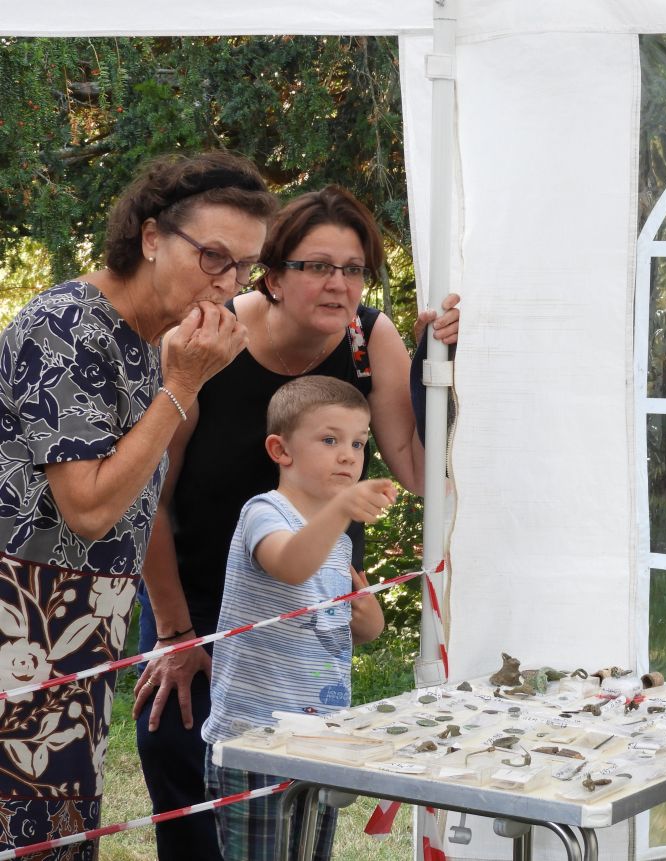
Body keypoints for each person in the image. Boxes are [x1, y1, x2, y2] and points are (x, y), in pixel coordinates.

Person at [132, 184, 459, 859]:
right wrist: (173, 632)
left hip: (309, 631)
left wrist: (438, 366)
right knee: (196, 816)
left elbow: (419, 471)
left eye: (353, 267)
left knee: (298, 821)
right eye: (317, 266)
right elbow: (147, 498)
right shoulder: (207, 336)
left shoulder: (371, 339)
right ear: (273, 276)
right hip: (197, 612)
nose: (339, 284)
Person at [0, 151, 277, 858]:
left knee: (61, 836)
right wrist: (181, 389)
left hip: (80, 626)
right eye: (213, 256)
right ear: (152, 237)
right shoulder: (65, 326)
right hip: (19, 621)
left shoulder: (154, 341)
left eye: (243, 267)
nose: (228, 282)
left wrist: (169, 625)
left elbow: (133, 504)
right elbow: (89, 508)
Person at [201, 376, 395, 861]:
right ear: (280, 450)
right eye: (330, 440)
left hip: (317, 740)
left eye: (358, 443)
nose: (349, 455)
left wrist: (367, 614)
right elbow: (289, 565)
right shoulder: (265, 513)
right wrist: (342, 510)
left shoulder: (340, 543)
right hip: (255, 741)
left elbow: (356, 632)